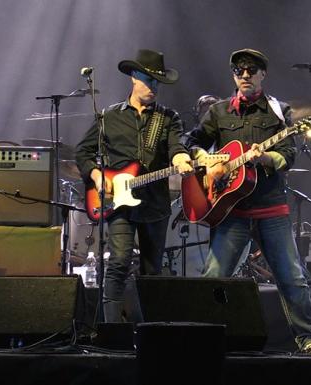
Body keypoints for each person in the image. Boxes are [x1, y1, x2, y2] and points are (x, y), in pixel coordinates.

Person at [186, 49, 311, 353]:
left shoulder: (279, 111)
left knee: (292, 279)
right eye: (239, 71)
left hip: (271, 208)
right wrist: (206, 160)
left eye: (251, 70)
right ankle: (203, 340)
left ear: (263, 74)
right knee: (214, 277)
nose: (244, 75)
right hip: (231, 210)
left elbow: (287, 155)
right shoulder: (219, 112)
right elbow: (193, 141)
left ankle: (308, 338)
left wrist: (264, 156)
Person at [75, 49, 193, 322]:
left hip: (155, 202)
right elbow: (83, 152)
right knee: (118, 263)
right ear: (133, 77)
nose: (153, 87)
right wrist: (95, 175)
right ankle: (113, 330)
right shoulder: (108, 117)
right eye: (148, 80)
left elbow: (177, 146)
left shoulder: (168, 118)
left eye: (156, 82)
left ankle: (151, 331)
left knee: (152, 271)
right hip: (118, 204)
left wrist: (182, 158)